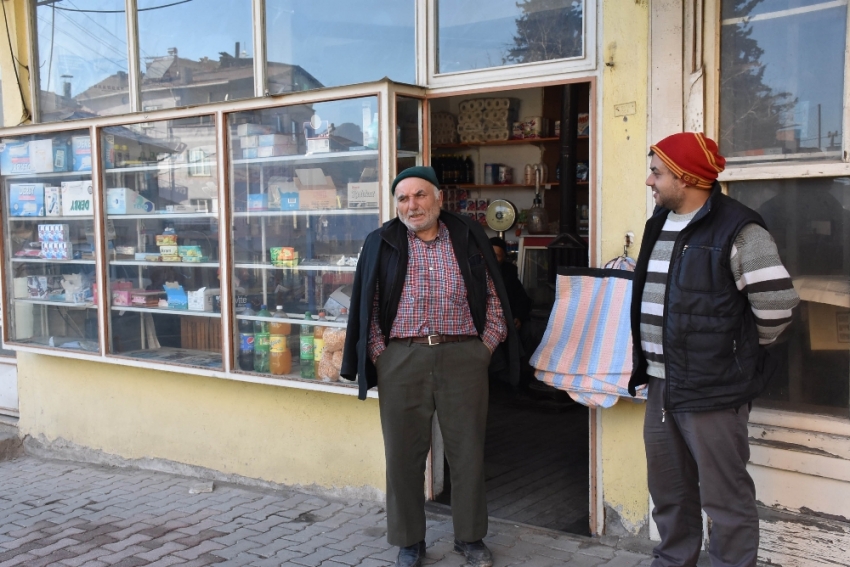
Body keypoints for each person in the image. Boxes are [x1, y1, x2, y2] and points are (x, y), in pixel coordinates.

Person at [628, 132, 799, 567]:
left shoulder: (741, 230)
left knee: (725, 503)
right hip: (662, 386)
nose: (650, 181)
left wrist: (734, 356)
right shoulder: (659, 222)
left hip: (713, 390)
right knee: (669, 494)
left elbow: (777, 308)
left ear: (685, 178)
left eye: (657, 172)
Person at [342, 166, 519, 567]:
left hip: (463, 356)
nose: (412, 205)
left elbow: (494, 294)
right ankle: (409, 540)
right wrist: (379, 354)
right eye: (403, 198)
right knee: (403, 455)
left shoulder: (466, 236)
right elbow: (366, 306)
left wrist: (486, 345)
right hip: (401, 358)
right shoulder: (381, 242)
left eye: (420, 195)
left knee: (467, 451)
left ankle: (470, 538)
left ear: (439, 198)